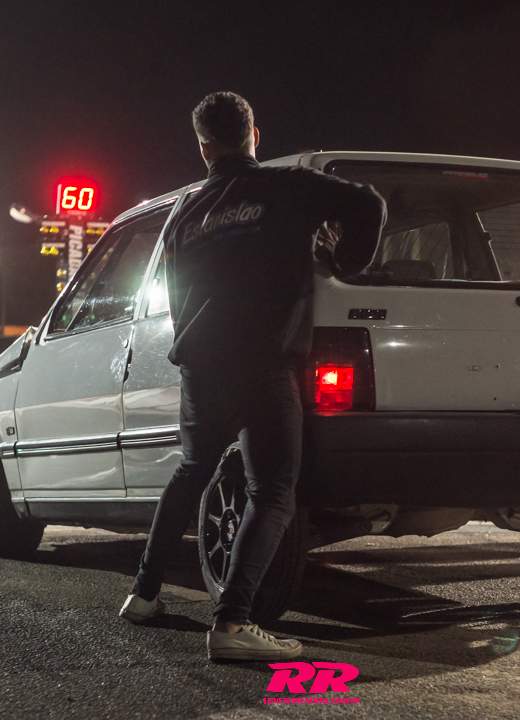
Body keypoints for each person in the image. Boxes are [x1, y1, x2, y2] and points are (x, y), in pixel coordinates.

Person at [119, 92, 386, 661]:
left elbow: (173, 291)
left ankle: (143, 595)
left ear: (203, 148)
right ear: (254, 136)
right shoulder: (285, 187)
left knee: (191, 472)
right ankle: (232, 623)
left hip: (202, 365)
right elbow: (368, 204)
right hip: (264, 363)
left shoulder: (185, 215)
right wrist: (344, 262)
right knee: (272, 494)